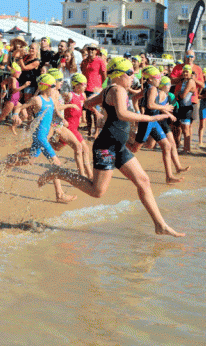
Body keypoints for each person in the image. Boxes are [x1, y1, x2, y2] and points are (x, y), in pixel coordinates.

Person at [39, 57, 184, 236]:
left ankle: (160, 225)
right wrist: (152, 118)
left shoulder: (111, 89)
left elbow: (87, 104)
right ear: (119, 75)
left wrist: (103, 114)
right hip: (106, 146)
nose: (133, 77)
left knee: (143, 181)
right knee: (97, 191)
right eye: (130, 73)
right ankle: (59, 173)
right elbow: (123, 114)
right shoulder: (118, 90)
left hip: (118, 145)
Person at [2, 73, 77, 204]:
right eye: (53, 85)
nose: (55, 87)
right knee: (57, 164)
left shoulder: (51, 100)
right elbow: (20, 106)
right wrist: (15, 114)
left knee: (30, 161)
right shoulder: (37, 99)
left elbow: (56, 110)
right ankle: (59, 194)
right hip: (40, 136)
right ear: (46, 87)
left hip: (43, 135)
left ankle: (7, 163)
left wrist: (63, 117)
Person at [128, 67, 185, 184]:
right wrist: (165, 108)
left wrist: (138, 112)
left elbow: (134, 99)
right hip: (148, 122)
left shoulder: (149, 88)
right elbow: (150, 105)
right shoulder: (152, 88)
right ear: (150, 79)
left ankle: (169, 176)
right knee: (134, 149)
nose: (159, 79)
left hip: (153, 122)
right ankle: (120, 141)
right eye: (157, 77)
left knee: (166, 146)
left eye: (160, 77)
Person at [0, 62, 27, 137]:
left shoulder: (10, 78)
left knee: (25, 115)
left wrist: (4, 91)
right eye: (19, 72)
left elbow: (2, 83)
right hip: (11, 100)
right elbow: (14, 90)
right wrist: (24, 86)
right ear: (14, 73)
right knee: (1, 117)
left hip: (16, 101)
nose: (20, 74)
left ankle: (12, 126)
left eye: (20, 72)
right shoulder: (13, 79)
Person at [175, 65, 197, 153]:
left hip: (187, 108)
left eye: (187, 72)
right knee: (183, 129)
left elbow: (183, 95)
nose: (185, 73)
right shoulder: (185, 81)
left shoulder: (191, 81)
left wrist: (177, 94)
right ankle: (186, 148)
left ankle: (186, 149)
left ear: (190, 72)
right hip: (183, 107)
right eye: (184, 72)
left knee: (186, 130)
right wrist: (179, 94)